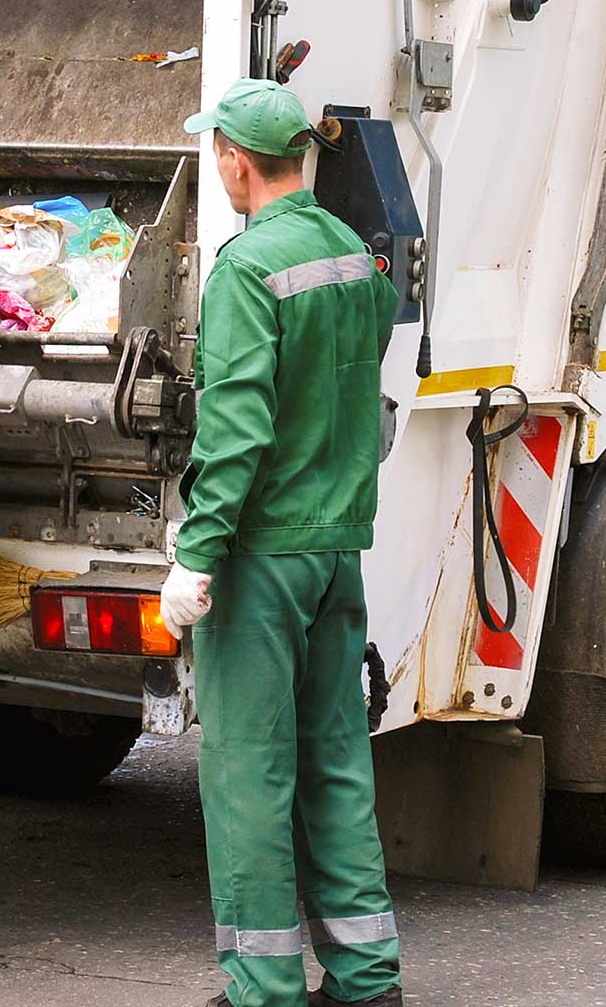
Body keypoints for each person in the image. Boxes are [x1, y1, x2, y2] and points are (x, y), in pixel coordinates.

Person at [161, 78, 405, 1007]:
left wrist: (198, 554)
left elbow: (236, 428)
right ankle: (367, 973)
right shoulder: (351, 255)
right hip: (336, 551)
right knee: (336, 757)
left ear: (233, 158)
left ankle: (265, 987)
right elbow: (359, 383)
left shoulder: (246, 270)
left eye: (214, 151)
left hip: (262, 557)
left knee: (249, 773)